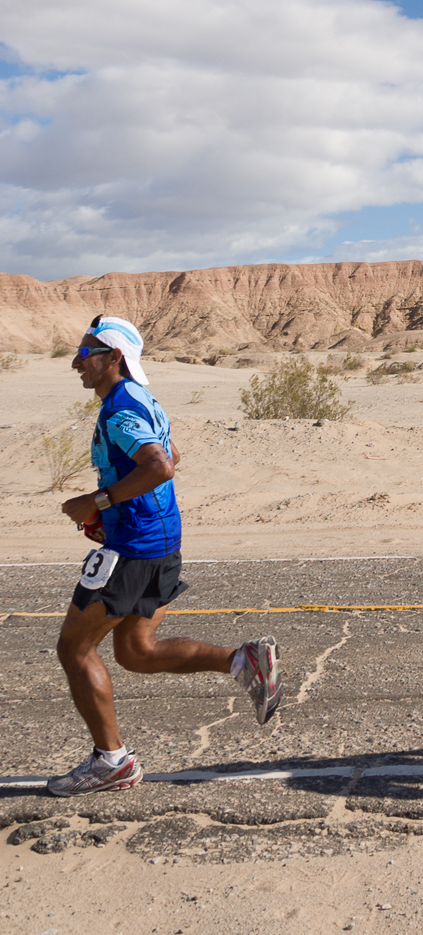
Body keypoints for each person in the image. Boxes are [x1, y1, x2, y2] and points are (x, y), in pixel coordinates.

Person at [47, 315, 283, 796]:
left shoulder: (118, 409)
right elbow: (170, 450)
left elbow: (160, 464)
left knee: (74, 648)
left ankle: (111, 762)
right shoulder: (142, 399)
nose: (77, 362)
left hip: (133, 547)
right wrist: (121, 503)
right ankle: (245, 661)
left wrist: (99, 503)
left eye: (86, 354)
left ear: (114, 358)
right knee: (137, 651)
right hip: (159, 540)